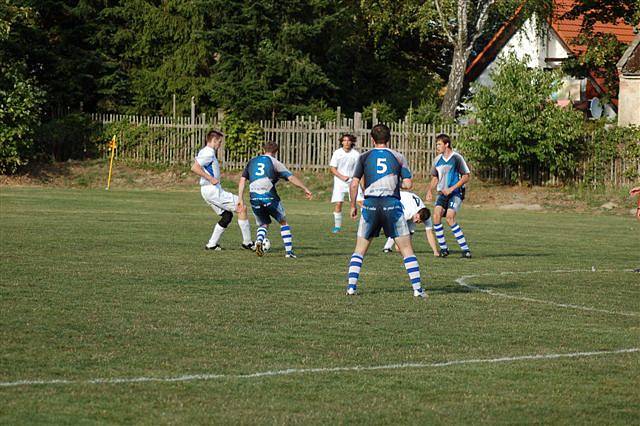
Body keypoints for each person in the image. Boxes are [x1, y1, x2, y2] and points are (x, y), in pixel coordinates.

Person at [346, 124, 426, 298]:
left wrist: (352, 205)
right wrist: (397, 183)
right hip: (392, 204)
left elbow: (353, 184)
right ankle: (417, 290)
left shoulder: (363, 157)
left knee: (360, 249)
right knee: (406, 249)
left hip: (370, 205)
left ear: (372, 140)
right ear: (389, 139)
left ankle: (351, 287)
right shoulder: (398, 157)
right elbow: (408, 184)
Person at [237, 141, 313, 258]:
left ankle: (259, 241)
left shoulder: (252, 162)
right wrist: (305, 188)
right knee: (283, 222)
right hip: (269, 196)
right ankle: (289, 252)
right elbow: (291, 177)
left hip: (254, 197)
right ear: (276, 152)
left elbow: (242, 181)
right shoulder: (275, 162)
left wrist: (240, 199)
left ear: (263, 150)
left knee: (264, 223)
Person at [191, 130, 253, 251]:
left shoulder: (204, 151)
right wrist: (210, 178)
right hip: (212, 190)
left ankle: (211, 244)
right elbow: (194, 167)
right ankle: (248, 243)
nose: (220, 144)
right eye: (219, 142)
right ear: (214, 140)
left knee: (226, 216)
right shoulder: (208, 152)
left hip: (207, 190)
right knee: (242, 207)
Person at [426, 133, 472, 259]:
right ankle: (444, 249)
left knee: (450, 217)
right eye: (436, 145)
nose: (437, 147)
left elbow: (466, 176)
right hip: (441, 194)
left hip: (455, 193)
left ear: (447, 144)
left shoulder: (457, 158)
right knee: (436, 216)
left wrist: (452, 188)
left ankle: (465, 249)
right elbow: (435, 177)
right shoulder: (437, 160)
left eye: (439, 144)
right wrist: (430, 190)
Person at [382, 191, 439, 257]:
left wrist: (435, 251)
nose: (416, 220)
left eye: (419, 221)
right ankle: (387, 247)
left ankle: (389, 247)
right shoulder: (409, 212)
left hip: (407, 201)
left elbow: (429, 233)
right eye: (417, 217)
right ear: (417, 212)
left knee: (409, 232)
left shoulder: (426, 218)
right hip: (395, 198)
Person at [329, 134, 364, 233]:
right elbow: (333, 168)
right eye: (344, 141)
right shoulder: (337, 153)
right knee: (339, 203)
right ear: (341, 142)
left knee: (361, 202)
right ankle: (337, 227)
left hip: (353, 181)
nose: (346, 143)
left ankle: (365, 224)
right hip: (340, 182)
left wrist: (362, 184)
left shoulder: (356, 154)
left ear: (352, 142)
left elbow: (360, 170)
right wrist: (342, 177)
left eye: (348, 141)